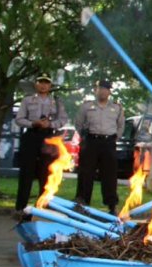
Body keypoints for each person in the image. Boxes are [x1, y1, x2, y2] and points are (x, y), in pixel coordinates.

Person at [13, 74, 69, 217]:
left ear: (50, 86)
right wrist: (33, 123)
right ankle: (20, 208)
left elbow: (62, 119)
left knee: (46, 173)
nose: (43, 85)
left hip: (48, 137)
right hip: (32, 134)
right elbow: (19, 119)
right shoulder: (27, 100)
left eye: (46, 83)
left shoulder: (56, 101)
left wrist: (50, 124)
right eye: (41, 82)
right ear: (36, 84)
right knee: (27, 173)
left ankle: (42, 208)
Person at [73, 79, 124, 215]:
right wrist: (85, 138)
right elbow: (78, 123)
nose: (102, 91)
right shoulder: (86, 106)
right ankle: (82, 202)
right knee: (86, 173)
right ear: (95, 90)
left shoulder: (117, 107)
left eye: (105, 89)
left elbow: (120, 127)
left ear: (109, 91)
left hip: (108, 143)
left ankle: (112, 206)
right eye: (100, 88)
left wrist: (113, 139)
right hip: (91, 142)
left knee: (110, 175)